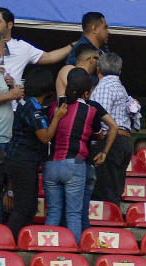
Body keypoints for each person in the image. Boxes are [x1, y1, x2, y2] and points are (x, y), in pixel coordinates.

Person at [45, 69, 117, 241]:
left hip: (51, 165)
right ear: (87, 92)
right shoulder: (90, 110)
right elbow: (99, 135)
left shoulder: (54, 107)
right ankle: (72, 256)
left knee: (53, 213)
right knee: (74, 215)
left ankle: (46, 250)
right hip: (74, 165)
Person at [4, 68, 67, 237]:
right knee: (23, 209)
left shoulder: (28, 103)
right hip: (22, 163)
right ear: (47, 89)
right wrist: (57, 117)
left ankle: (18, 243)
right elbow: (45, 137)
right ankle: (6, 244)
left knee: (29, 208)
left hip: (21, 162)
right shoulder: (33, 108)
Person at [89, 52, 138, 204]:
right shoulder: (122, 89)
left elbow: (100, 118)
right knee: (113, 191)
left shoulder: (103, 87)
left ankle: (104, 227)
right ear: (119, 72)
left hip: (110, 140)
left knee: (102, 192)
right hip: (125, 141)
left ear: (98, 70)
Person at [0, 7, 73, 88]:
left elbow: (50, 57)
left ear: (9, 25)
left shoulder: (21, 47)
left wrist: (73, 45)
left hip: (10, 101)